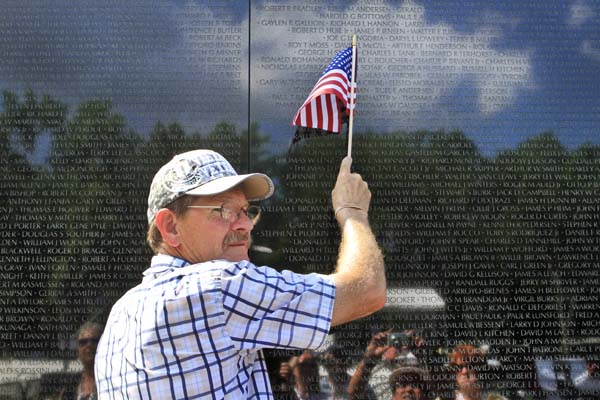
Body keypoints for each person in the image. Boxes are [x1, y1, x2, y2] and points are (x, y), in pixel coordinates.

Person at [94, 149, 386, 399]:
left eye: (246, 211)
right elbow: (366, 290)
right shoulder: (216, 288)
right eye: (223, 211)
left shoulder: (118, 316)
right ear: (170, 227)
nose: (245, 225)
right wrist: (353, 212)